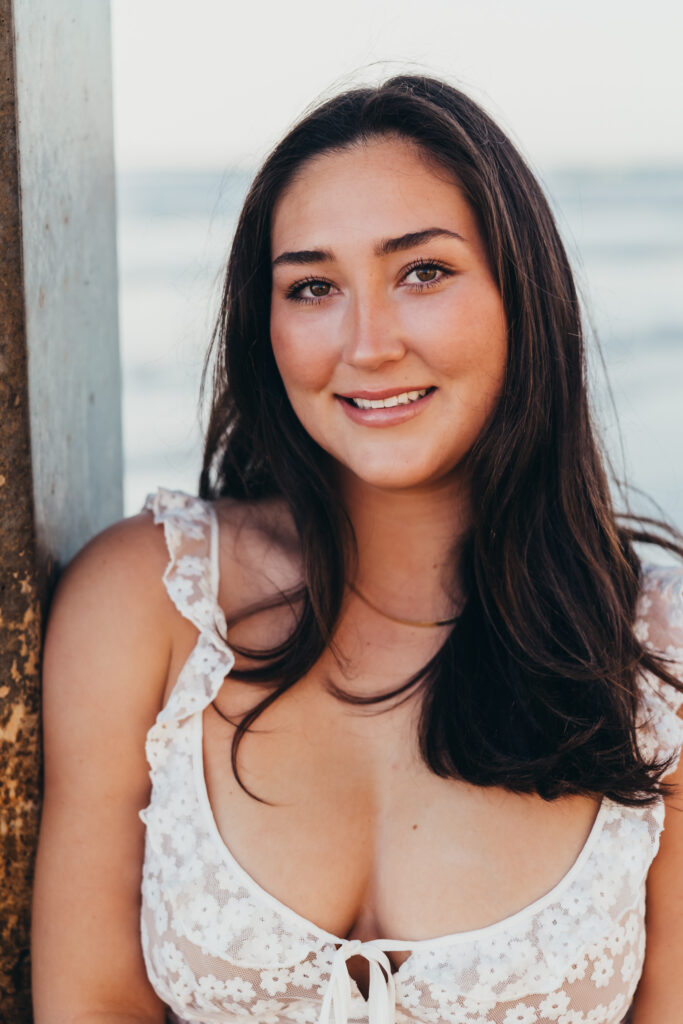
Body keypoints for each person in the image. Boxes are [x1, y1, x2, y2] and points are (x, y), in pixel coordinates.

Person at [31, 75, 683, 1024]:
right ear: (265, 326)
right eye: (312, 287)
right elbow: (90, 1004)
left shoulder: (656, 657)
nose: (368, 344)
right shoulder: (150, 603)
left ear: (522, 296)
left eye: (422, 272)